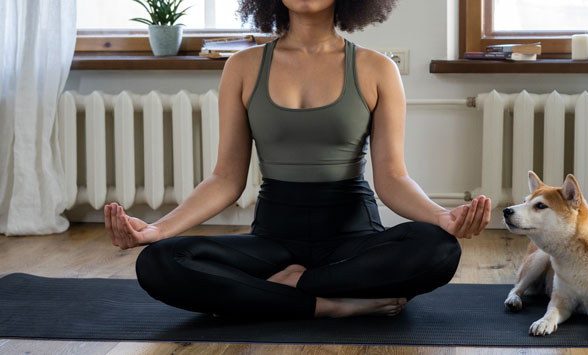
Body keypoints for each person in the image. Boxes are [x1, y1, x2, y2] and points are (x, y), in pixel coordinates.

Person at [104, 0, 492, 319]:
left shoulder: (377, 69)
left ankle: (289, 289)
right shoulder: (242, 67)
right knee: (159, 262)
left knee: (439, 248)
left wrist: (440, 216)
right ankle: (324, 303)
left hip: (352, 240)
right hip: (272, 241)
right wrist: (158, 230)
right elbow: (225, 178)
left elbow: (391, 178)